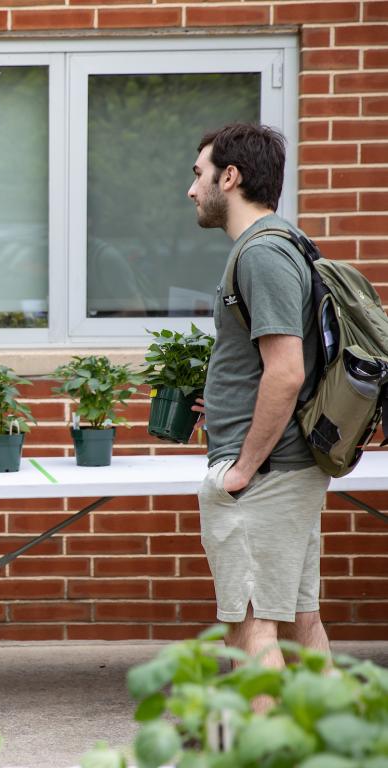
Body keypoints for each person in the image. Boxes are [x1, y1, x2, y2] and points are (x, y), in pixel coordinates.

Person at [188, 124, 331, 692]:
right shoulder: (282, 244)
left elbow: (287, 370)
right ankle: (334, 742)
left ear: (231, 176)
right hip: (288, 469)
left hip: (265, 475)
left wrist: (243, 468)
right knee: (301, 618)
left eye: (198, 174)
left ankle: (257, 751)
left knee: (252, 626)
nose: (192, 189)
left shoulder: (262, 254)